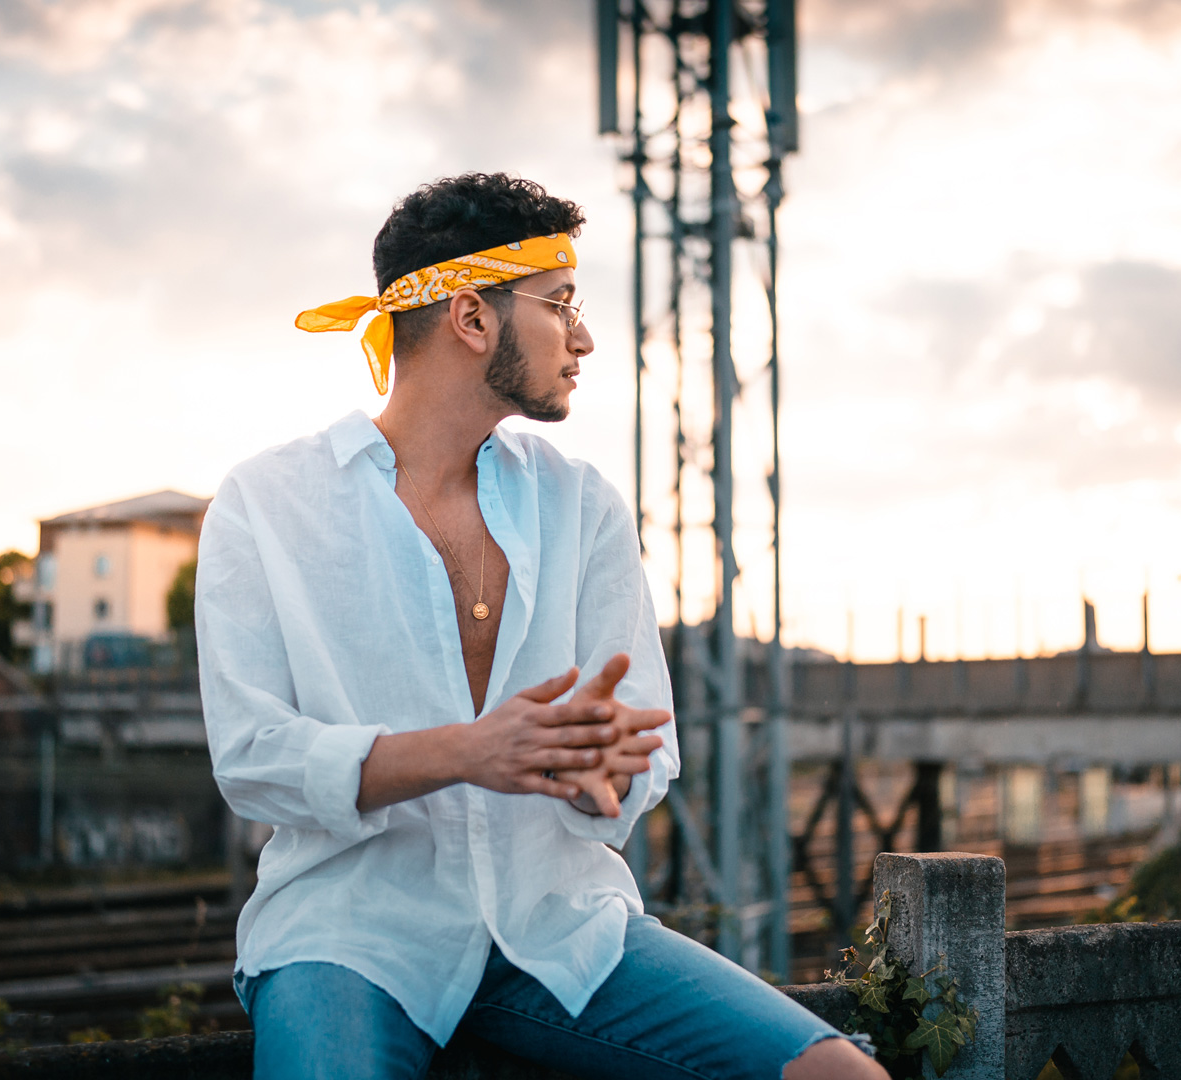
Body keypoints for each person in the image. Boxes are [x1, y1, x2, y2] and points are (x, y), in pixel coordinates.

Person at [197, 172, 884, 1080]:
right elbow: (253, 757)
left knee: (842, 1078)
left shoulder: (581, 505)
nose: (585, 337)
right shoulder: (268, 502)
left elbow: (646, 736)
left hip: (559, 926)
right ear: (473, 318)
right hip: (349, 934)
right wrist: (470, 751)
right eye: (560, 305)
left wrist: (601, 777)